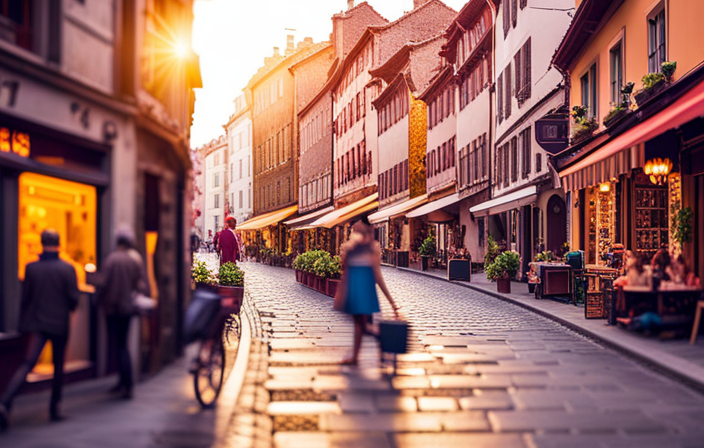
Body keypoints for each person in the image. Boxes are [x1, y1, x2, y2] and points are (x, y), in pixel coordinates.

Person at [0, 229, 79, 429]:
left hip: (36, 323)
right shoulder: (67, 269)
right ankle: (55, 408)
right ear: (59, 244)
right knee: (58, 366)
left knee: (28, 363)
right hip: (59, 323)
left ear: (42, 244)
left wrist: (21, 325)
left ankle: (5, 401)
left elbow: (25, 299)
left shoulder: (31, 268)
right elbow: (73, 300)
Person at [336, 217, 399, 365]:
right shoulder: (351, 246)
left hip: (364, 290)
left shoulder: (372, 247)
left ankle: (384, 340)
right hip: (353, 289)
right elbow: (346, 271)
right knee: (360, 324)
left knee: (362, 325)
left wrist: (391, 302)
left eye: (358, 226)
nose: (354, 227)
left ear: (366, 227)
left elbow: (377, 275)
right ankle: (358, 355)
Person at [97, 232, 148, 400]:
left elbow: (103, 283)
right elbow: (141, 285)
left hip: (113, 307)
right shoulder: (134, 260)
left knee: (119, 346)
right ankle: (124, 382)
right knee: (123, 344)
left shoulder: (112, 260)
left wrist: (99, 298)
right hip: (127, 308)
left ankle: (127, 384)